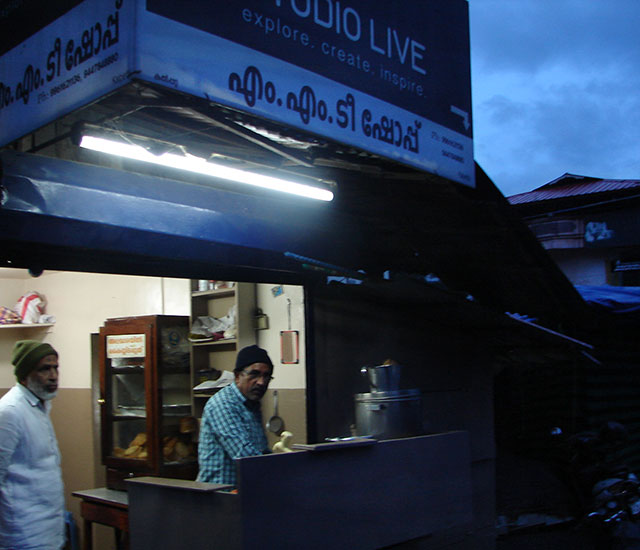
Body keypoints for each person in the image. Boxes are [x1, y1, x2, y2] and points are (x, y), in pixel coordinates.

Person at [0, 340, 65, 550]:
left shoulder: (41, 406)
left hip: (50, 529)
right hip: (23, 534)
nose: (53, 375)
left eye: (55, 368)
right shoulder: (10, 412)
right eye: (45, 369)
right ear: (25, 375)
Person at [197, 345, 273, 486]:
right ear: (238, 376)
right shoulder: (223, 404)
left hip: (243, 495)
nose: (261, 382)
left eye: (266, 376)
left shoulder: (252, 404)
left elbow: (262, 451)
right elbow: (245, 457)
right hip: (219, 497)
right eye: (254, 374)